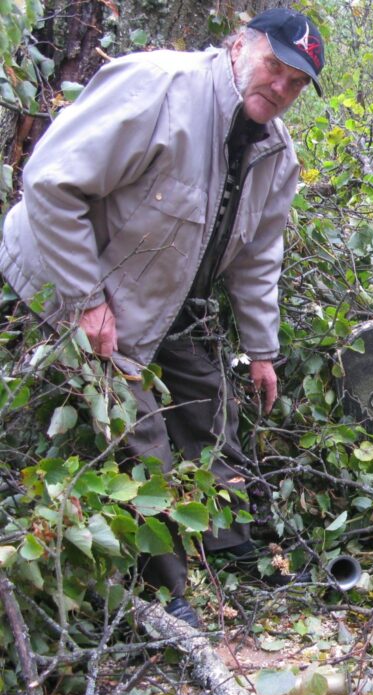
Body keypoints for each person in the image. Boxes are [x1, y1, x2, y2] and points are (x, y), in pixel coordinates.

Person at [0, 9, 326, 628]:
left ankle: (235, 551)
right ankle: (173, 593)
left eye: (296, 83)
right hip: (66, 277)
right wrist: (84, 299)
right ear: (240, 46)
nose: (280, 89)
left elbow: (259, 259)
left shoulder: (275, 156)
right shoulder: (159, 88)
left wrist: (262, 349)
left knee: (210, 403)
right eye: (274, 69)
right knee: (137, 428)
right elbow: (48, 182)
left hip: (161, 296)